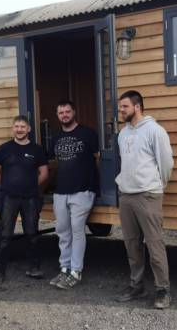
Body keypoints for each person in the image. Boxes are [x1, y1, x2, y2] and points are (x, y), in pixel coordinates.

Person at [113, 90, 174, 309]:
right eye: (120, 106)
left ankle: (162, 290)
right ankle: (136, 285)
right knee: (132, 244)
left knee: (155, 245)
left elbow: (166, 163)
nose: (121, 110)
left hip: (148, 195)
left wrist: (156, 186)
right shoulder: (122, 134)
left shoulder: (155, 131)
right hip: (126, 195)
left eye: (125, 107)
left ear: (137, 107)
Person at [0, 115, 48, 286]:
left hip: (30, 198)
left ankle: (34, 268)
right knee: (6, 236)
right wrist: (6, 187)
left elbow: (44, 173)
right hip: (9, 199)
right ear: (13, 129)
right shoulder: (4, 149)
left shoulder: (37, 150)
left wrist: (30, 186)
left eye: (23, 126)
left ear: (29, 129)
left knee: (32, 234)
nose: (19, 129)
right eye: (16, 126)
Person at [48, 99, 100, 289]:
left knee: (77, 230)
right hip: (61, 191)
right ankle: (64, 268)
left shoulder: (88, 133)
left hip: (82, 190)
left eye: (67, 111)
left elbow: (98, 158)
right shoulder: (55, 137)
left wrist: (94, 184)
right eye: (61, 113)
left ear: (74, 112)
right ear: (57, 115)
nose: (65, 115)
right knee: (62, 230)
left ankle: (76, 271)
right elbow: (54, 163)